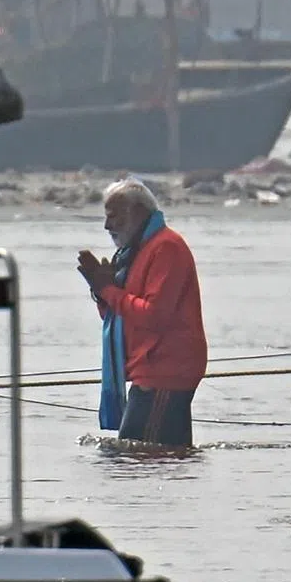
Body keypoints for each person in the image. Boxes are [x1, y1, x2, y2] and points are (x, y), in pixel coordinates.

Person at [77, 177, 208, 448]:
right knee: (166, 454)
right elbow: (123, 318)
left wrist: (110, 291)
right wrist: (103, 293)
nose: (107, 225)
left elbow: (153, 316)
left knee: (134, 455)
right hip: (149, 368)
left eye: (114, 216)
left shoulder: (166, 247)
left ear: (137, 213)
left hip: (165, 369)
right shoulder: (135, 252)